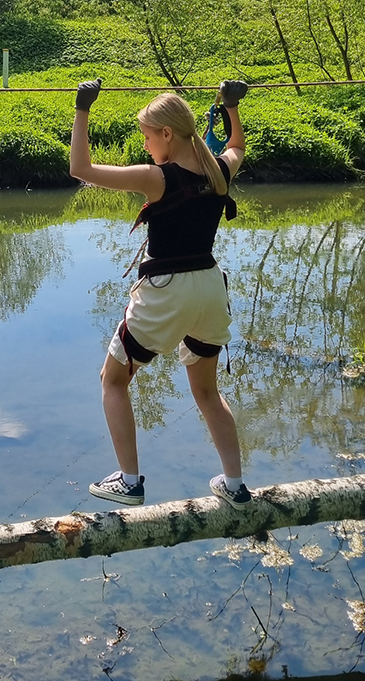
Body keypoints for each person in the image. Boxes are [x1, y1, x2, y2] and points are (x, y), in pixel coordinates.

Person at [69, 78, 253, 510]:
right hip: (210, 288)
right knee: (207, 393)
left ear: (167, 134)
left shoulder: (157, 178)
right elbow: (237, 147)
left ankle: (129, 481)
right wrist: (231, 107)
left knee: (113, 380)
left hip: (168, 290)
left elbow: (81, 169)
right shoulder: (218, 171)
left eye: (147, 137)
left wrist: (82, 108)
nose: (145, 145)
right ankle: (235, 484)